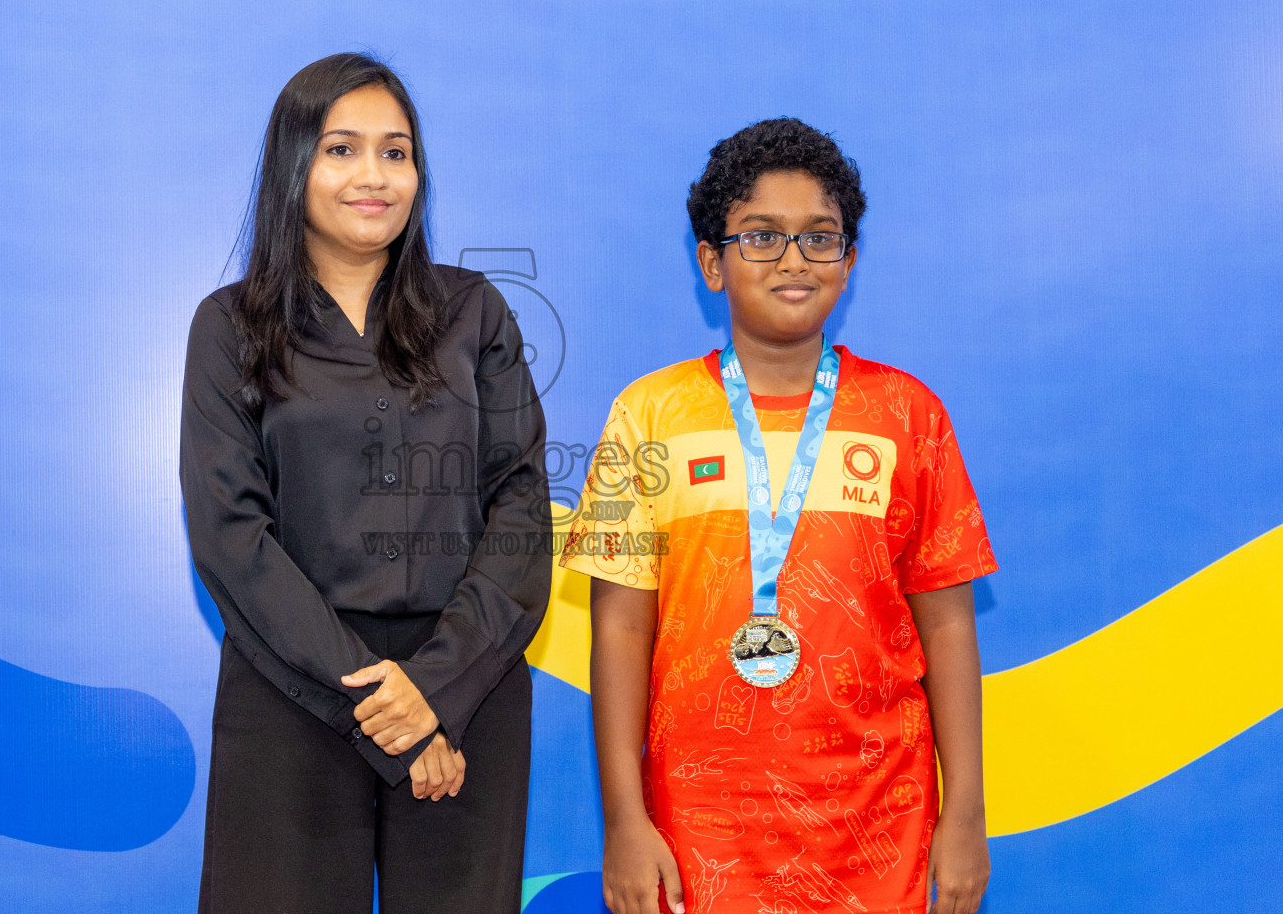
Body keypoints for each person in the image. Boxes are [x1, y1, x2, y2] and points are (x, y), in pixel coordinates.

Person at [562, 118, 994, 914]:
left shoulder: (909, 415)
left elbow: (949, 625)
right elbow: (621, 627)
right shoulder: (649, 414)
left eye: (819, 238)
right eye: (760, 236)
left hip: (878, 825)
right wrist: (624, 818)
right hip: (696, 830)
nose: (793, 259)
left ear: (850, 261)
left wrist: (964, 811)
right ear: (711, 263)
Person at [180, 52, 551, 914]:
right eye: (342, 149)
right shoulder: (229, 326)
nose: (374, 176)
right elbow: (233, 539)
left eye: (397, 151)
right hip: (292, 690)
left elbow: (521, 510)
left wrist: (436, 692)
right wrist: (388, 707)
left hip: (469, 688)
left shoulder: (475, 312)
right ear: (293, 164)